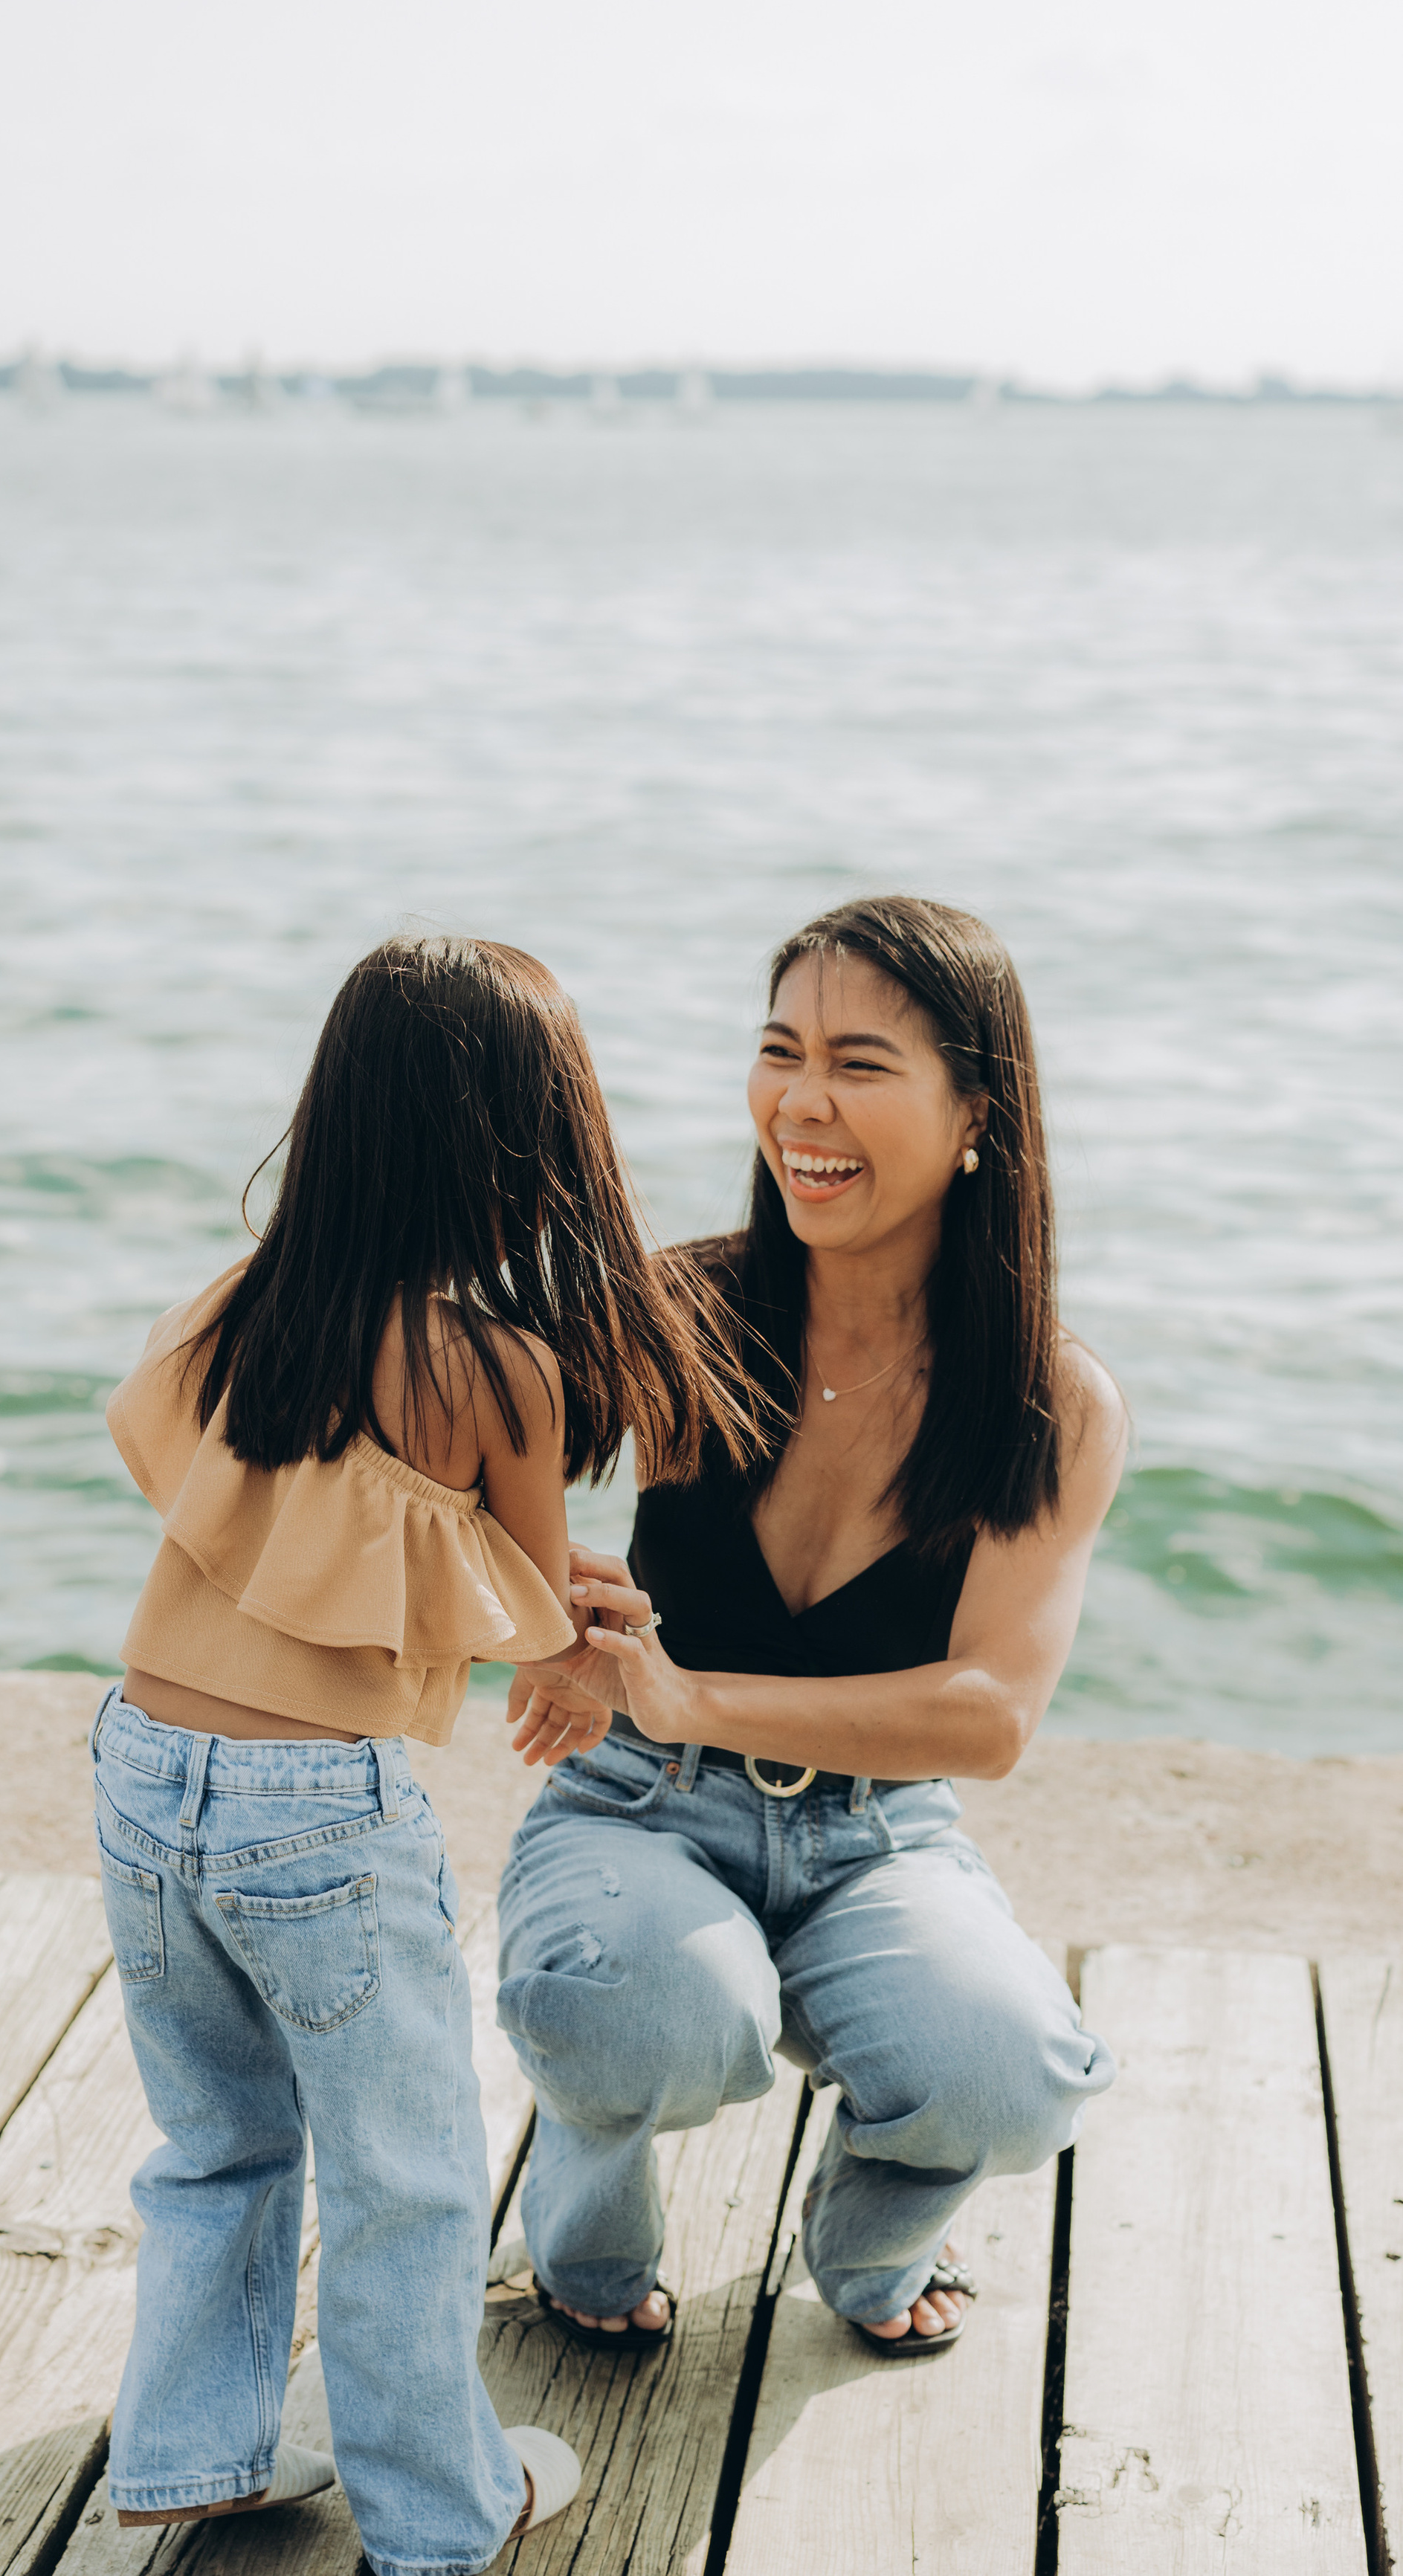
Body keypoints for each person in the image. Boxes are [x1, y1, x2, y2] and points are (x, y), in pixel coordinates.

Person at [91, 935, 754, 2575]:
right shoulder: (496, 1367)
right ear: (524, 1156)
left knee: (216, 2140)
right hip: (318, 1814)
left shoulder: (234, 1313)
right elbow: (521, 1599)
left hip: (139, 1764)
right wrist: (584, 1661)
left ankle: (191, 2448)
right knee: (405, 2178)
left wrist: (536, 1607)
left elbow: (268, 1519)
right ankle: (437, 2514)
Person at [497, 896, 1126, 2358]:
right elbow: (453, 1420)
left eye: (856, 1062)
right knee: (636, 2007)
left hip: (878, 1838)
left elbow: (984, 1717)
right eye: (778, 1052)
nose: (799, 1103)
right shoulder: (679, 1313)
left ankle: (872, 2248)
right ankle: (583, 2240)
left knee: (1007, 2073)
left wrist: (682, 1690)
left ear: (977, 1110)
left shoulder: (1050, 1399)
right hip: (637, 1814)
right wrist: (541, 1608)